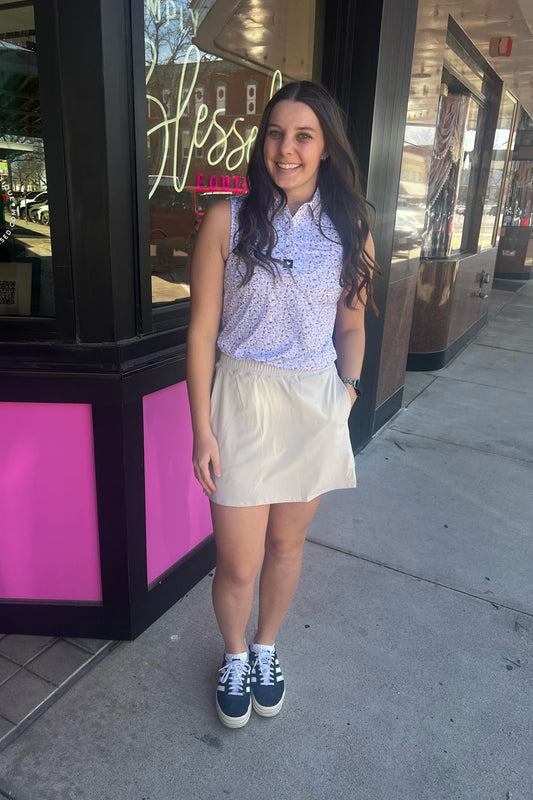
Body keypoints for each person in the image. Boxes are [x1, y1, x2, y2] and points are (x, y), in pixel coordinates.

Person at [186, 80, 378, 729]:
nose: (285, 148)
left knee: (285, 549)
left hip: (313, 401)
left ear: (325, 148)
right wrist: (200, 431)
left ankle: (265, 647)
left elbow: (351, 325)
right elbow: (200, 332)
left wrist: (346, 393)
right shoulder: (227, 220)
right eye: (274, 132)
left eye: (302, 135)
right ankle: (234, 654)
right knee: (237, 560)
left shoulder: (351, 229)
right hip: (239, 400)